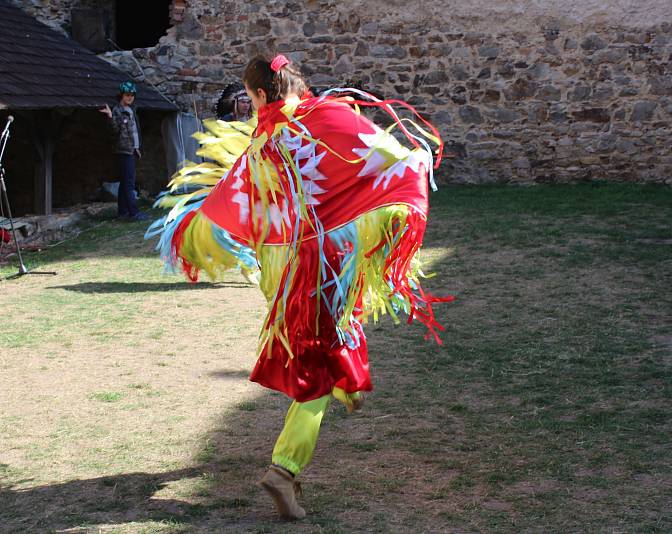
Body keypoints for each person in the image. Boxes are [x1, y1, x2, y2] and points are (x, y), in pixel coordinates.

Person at [147, 54, 448, 520]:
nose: (249, 107)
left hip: (283, 267)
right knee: (316, 366)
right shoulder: (326, 115)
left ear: (262, 94)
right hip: (324, 260)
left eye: (249, 98)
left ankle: (350, 385)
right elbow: (383, 156)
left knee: (333, 332)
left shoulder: (262, 140)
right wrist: (417, 160)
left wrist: (192, 228)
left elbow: (233, 199)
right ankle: (284, 470)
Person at [100, 81, 147, 221]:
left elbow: (133, 132)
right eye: (127, 95)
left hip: (131, 150)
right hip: (123, 151)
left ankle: (122, 212)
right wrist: (109, 116)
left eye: (132, 95)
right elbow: (114, 131)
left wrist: (136, 148)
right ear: (121, 95)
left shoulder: (131, 110)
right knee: (129, 183)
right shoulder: (118, 111)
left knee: (125, 182)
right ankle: (134, 213)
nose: (130, 98)